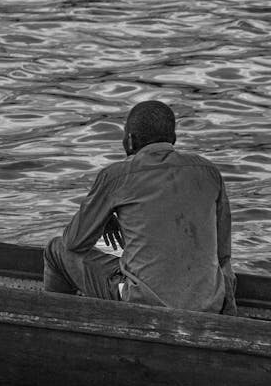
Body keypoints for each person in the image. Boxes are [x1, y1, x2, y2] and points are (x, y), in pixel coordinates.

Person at [44, 100, 236, 314]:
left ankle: (52, 320)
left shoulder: (117, 176)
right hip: (208, 304)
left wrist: (101, 215)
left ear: (130, 140)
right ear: (173, 139)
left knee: (57, 249)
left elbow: (74, 242)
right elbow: (223, 255)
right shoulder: (209, 172)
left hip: (141, 304)